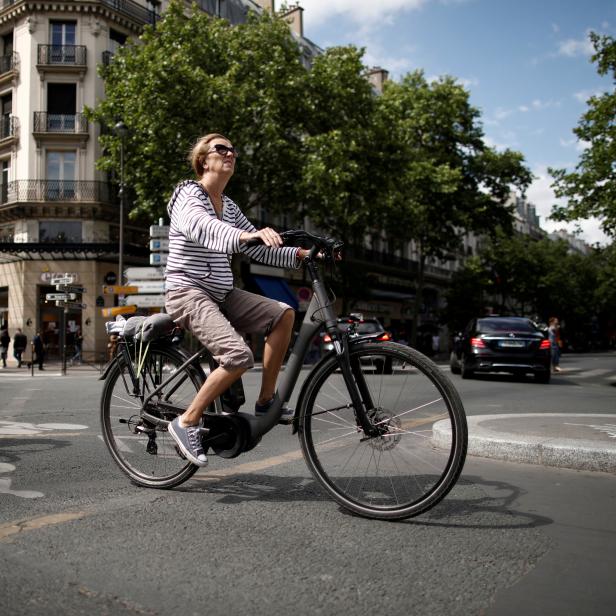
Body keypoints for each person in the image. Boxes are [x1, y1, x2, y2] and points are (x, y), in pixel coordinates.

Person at [164, 133, 312, 467]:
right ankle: (187, 420)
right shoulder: (189, 195)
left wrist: (302, 255)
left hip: (222, 292)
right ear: (204, 160)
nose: (230, 153)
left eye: (234, 149)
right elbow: (203, 228)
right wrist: (246, 235)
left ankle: (265, 401)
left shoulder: (228, 206)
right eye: (222, 148)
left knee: (284, 314)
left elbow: (256, 246)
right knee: (238, 356)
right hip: (188, 291)